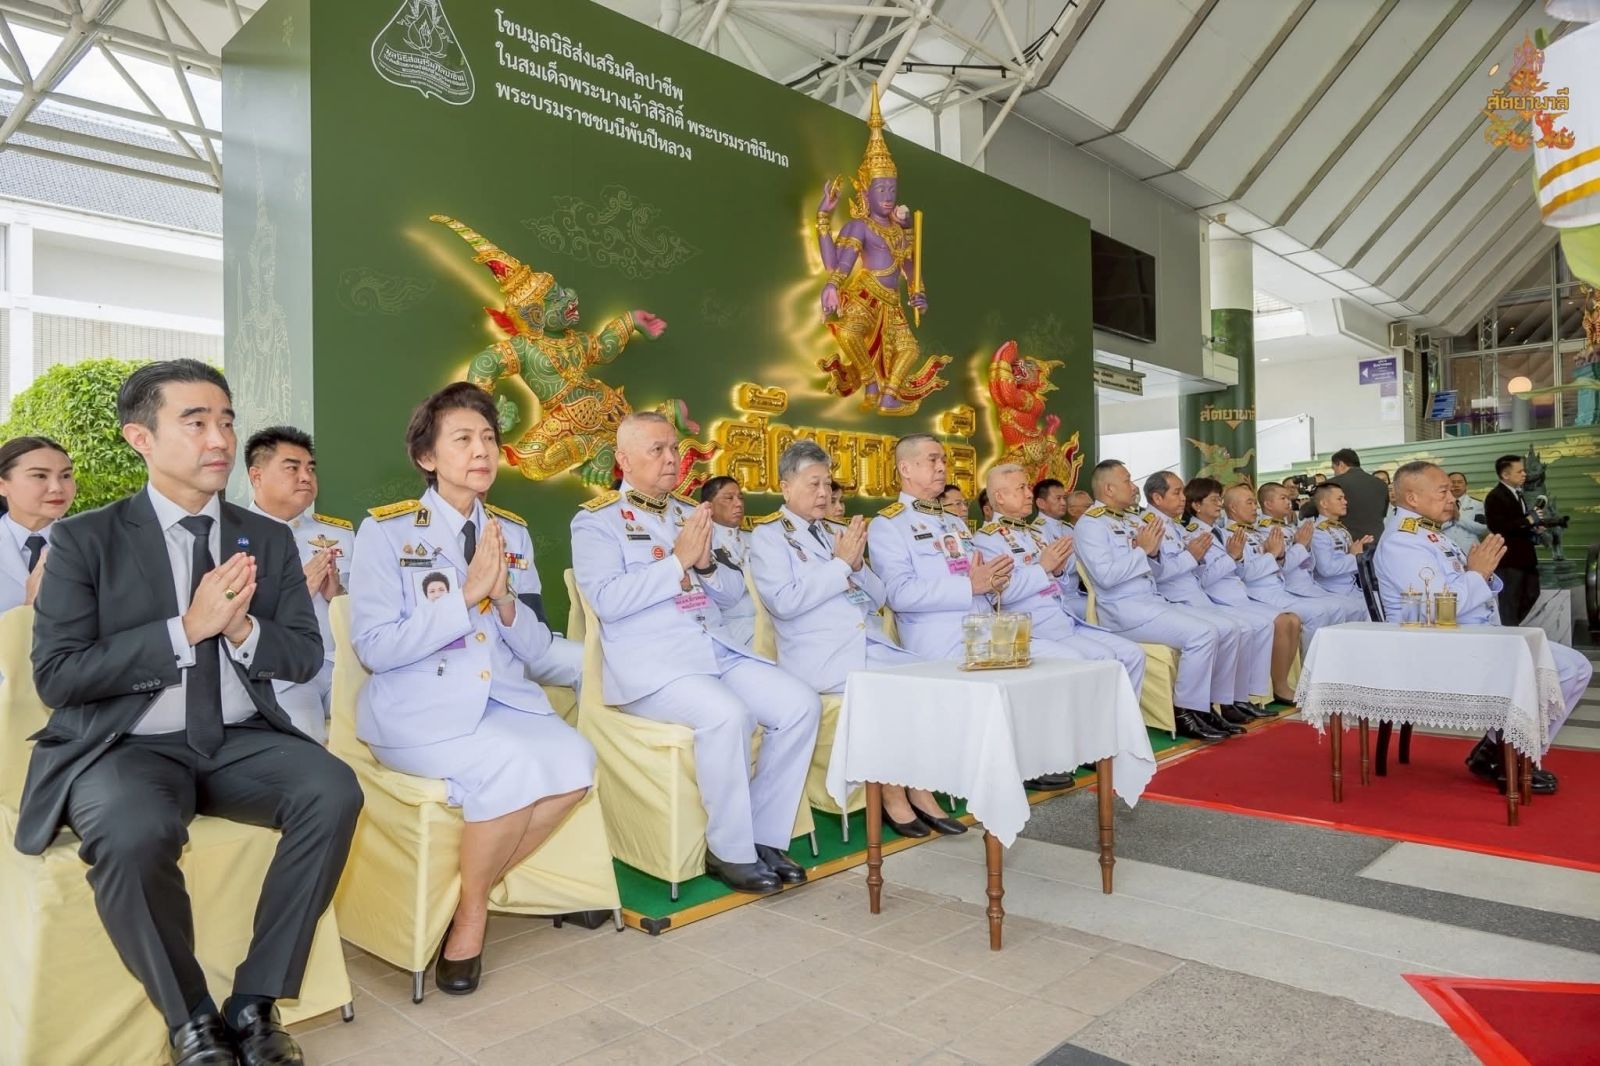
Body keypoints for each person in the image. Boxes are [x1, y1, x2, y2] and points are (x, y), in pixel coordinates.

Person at [23, 359, 362, 1066]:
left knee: (332, 790)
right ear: (140, 438)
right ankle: (192, 1019)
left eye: (226, 421)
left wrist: (243, 630)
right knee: (131, 833)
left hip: (237, 738)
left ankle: (255, 1002)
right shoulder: (85, 540)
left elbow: (303, 655)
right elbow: (58, 676)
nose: (219, 439)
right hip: (125, 746)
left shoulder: (264, 536)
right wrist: (187, 629)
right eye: (196, 421)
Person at [351, 383, 594, 995]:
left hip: (500, 701)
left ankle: (467, 896)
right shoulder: (386, 532)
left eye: (488, 438)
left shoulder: (512, 534)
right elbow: (374, 647)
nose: (482, 450)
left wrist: (505, 600)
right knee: (510, 767)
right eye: (462, 439)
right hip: (417, 712)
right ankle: (472, 920)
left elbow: (534, 649)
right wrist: (463, 597)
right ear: (427, 457)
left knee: (576, 761)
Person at [572, 412, 820, 895]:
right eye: (657, 450)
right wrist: (678, 562)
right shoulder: (596, 521)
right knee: (727, 715)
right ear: (624, 460)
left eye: (674, 448)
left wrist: (704, 565)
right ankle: (730, 850)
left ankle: (764, 836)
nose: (672, 458)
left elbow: (729, 594)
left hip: (715, 651)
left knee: (799, 705)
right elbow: (606, 600)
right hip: (656, 667)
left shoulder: (690, 512)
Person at [749, 440, 963, 837]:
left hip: (868, 645)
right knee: (889, 692)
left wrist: (858, 566)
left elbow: (878, 599)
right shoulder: (768, 536)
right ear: (786, 487)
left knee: (932, 678)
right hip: (821, 656)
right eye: (813, 484)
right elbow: (784, 602)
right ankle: (893, 797)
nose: (823, 493)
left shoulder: (836, 531)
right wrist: (839, 564)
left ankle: (919, 787)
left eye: (826, 484)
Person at [872, 435, 1090, 788]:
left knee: (1068, 660)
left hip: (986, 629)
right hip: (942, 637)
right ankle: (1019, 762)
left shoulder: (954, 522)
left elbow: (982, 580)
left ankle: (1045, 752)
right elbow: (898, 594)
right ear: (906, 469)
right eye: (932, 460)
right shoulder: (888, 524)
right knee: (1038, 669)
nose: (942, 467)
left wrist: (995, 581)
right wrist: (970, 586)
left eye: (943, 460)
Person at [1377, 462, 1590, 794]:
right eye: (1443, 492)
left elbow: (1462, 586)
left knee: (1574, 666)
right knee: (1567, 668)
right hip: (1439, 646)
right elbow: (1436, 609)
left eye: (1451, 491)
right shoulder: (1403, 541)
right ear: (1412, 497)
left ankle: (1498, 750)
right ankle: (1506, 754)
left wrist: (1480, 573)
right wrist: (1477, 573)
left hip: (1468, 635)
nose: (1452, 498)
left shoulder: (1427, 533)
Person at [1071, 460, 1230, 742]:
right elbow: (1106, 577)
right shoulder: (1090, 524)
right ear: (1109, 489)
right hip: (1123, 609)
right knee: (1203, 634)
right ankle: (1186, 711)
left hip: (1152, 601)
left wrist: (1152, 554)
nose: (1133, 487)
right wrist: (1142, 551)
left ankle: (1205, 707)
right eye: (1127, 480)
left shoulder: (1132, 520)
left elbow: (1156, 571)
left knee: (1222, 627)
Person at [976, 464, 1146, 693]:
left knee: (1133, 654)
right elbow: (1001, 594)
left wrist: (1057, 572)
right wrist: (1043, 567)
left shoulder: (1032, 534)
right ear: (1000, 497)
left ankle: (1120, 716)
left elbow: (1060, 585)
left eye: (1028, 487)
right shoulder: (987, 539)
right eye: (1021, 488)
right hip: (1035, 628)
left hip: (1063, 619)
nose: (1029, 494)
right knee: (1103, 657)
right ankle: (1096, 716)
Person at [244, 426, 352, 743]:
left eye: (310, 468)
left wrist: (337, 594)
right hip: (281, 675)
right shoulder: (233, 534)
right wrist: (295, 593)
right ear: (256, 476)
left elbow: (367, 609)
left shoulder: (341, 534)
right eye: (292, 468)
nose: (306, 477)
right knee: (305, 742)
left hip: (340, 666)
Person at [1144, 472, 1276, 724]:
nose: (1182, 498)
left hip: (1196, 595)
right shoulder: (1153, 526)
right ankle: (1199, 708)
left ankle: (1233, 700)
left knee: (1248, 627)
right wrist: (1198, 556)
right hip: (1177, 599)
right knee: (1232, 629)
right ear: (1157, 498)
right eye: (1177, 492)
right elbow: (1161, 573)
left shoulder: (1175, 527)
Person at [1181, 477, 1301, 706]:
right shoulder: (1193, 534)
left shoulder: (1220, 532)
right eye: (1214, 499)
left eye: (1220, 499)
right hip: (1219, 599)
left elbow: (1239, 569)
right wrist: (1232, 556)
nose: (1219, 504)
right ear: (1196, 505)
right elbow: (1203, 579)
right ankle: (1259, 692)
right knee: (1277, 622)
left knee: (1293, 620)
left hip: (1239, 594)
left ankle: (1274, 686)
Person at [1223, 484, 1352, 645]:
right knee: (1320, 613)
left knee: (1338, 608)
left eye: (1255, 503)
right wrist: (1281, 552)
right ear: (1233, 508)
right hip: (1260, 593)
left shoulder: (1257, 532)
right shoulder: (1232, 535)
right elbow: (1247, 574)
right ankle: (1311, 659)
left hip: (1284, 588)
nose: (1255, 507)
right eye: (1250, 503)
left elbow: (1307, 565)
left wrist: (1302, 547)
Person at [1258, 482, 1366, 620]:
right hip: (1293, 588)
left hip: (1312, 586)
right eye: (1283, 498)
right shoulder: (1267, 531)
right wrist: (1301, 546)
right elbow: (1282, 566)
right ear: (1268, 504)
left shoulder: (1289, 528)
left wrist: (1306, 548)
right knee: (1336, 610)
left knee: (1358, 607)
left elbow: (1309, 565)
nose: (1288, 502)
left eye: (1288, 498)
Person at [0, 435, 74, 613]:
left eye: (65, 475)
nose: (57, 487)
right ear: (2, 485)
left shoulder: (100, 546)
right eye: (40, 475)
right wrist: (30, 609)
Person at [1483, 454, 1541, 625]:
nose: (1524, 474)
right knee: (1510, 601)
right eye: (1520, 471)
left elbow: (1519, 523)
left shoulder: (1518, 494)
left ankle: (1511, 626)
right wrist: (1527, 521)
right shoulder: (1495, 496)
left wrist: (1534, 527)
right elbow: (1498, 526)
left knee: (1532, 593)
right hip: (1509, 559)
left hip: (1526, 557)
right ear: (1505, 475)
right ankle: (1510, 630)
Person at [701, 475, 757, 648]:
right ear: (709, 506)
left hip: (764, 623)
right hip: (727, 628)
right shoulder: (702, 541)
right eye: (729, 498)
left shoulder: (756, 539)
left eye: (740, 498)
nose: (738, 504)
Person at [1299, 449, 1388, 542]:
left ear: (1341, 465)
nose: (1334, 473)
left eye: (1334, 468)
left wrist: (1303, 507)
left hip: (1349, 544)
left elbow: (1309, 510)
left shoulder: (1333, 485)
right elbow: (1383, 514)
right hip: (1378, 542)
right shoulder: (1381, 485)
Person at [1309, 483, 1373, 597]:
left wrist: (1360, 551)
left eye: (1344, 498)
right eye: (1339, 499)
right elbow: (1326, 569)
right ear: (1324, 504)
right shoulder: (1318, 532)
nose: (1345, 502)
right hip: (1332, 592)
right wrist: (1353, 556)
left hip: (1350, 588)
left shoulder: (1339, 528)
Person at [1032, 478, 1070, 542]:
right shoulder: (1036, 532)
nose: (1064, 503)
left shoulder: (1069, 528)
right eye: (1058, 498)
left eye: (1064, 498)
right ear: (1041, 503)